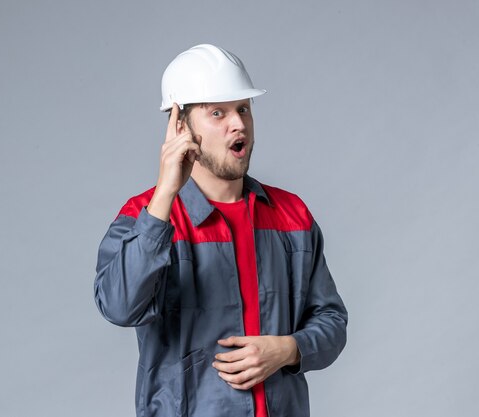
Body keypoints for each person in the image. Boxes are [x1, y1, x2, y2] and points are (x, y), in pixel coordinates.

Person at [94, 44, 347, 417]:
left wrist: (289, 349)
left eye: (243, 108)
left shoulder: (291, 215)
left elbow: (332, 322)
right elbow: (118, 306)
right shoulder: (146, 215)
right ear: (180, 126)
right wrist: (165, 194)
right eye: (218, 112)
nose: (239, 123)